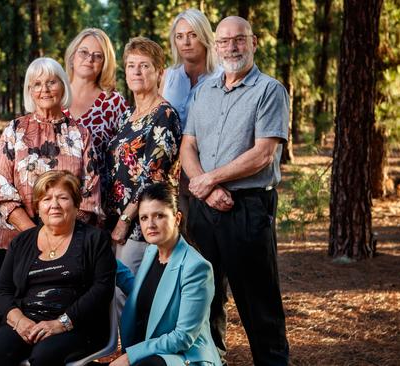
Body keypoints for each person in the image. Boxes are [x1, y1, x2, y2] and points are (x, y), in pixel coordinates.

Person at [180, 16, 290, 365]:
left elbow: (262, 153)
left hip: (248, 207)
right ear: (216, 47)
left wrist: (210, 180)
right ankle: (212, 360)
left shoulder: (269, 90)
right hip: (204, 208)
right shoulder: (203, 92)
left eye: (239, 40)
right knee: (207, 296)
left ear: (253, 43)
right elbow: (188, 147)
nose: (232, 47)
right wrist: (205, 187)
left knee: (259, 300)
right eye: (224, 41)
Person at [0, 170, 116, 365]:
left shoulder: (95, 239)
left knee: (44, 356)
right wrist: (19, 320)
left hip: (78, 324)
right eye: (46, 199)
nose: (54, 205)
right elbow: (1, 290)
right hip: (27, 320)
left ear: (76, 204)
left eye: (63, 198)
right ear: (38, 207)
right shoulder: (22, 241)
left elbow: (102, 289)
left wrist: (61, 323)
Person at [0, 57, 102, 250]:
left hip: (68, 241)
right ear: (29, 91)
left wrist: (59, 235)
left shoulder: (80, 134)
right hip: (18, 239)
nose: (45, 89)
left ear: (63, 86)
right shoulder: (15, 130)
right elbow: (1, 186)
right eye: (37, 84)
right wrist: (35, 235)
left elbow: (90, 194)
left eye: (51, 82)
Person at [112, 183, 222, 366]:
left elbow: (182, 337)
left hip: (186, 357)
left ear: (177, 218)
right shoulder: (152, 251)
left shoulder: (196, 268)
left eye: (159, 216)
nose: (151, 224)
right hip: (155, 352)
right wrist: (108, 263)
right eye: (144, 218)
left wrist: (131, 355)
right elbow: (151, 294)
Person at [106, 37, 182, 276]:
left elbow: (153, 177)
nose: (136, 71)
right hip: (115, 218)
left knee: (127, 295)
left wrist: (125, 221)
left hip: (141, 224)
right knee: (114, 294)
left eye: (145, 65)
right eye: (131, 65)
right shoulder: (127, 115)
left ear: (159, 73)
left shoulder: (164, 115)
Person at [160, 9, 219, 243]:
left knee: (209, 245)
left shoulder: (221, 77)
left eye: (192, 35)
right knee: (178, 241)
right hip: (172, 177)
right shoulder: (168, 76)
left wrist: (205, 178)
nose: (185, 42)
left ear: (204, 36)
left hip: (209, 174)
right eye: (179, 36)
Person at [63, 28, 127, 195]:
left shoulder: (113, 103)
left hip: (99, 201)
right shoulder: (53, 96)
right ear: (72, 56)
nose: (89, 59)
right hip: (53, 201)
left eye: (97, 56)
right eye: (84, 52)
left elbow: (124, 158)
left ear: (104, 63)